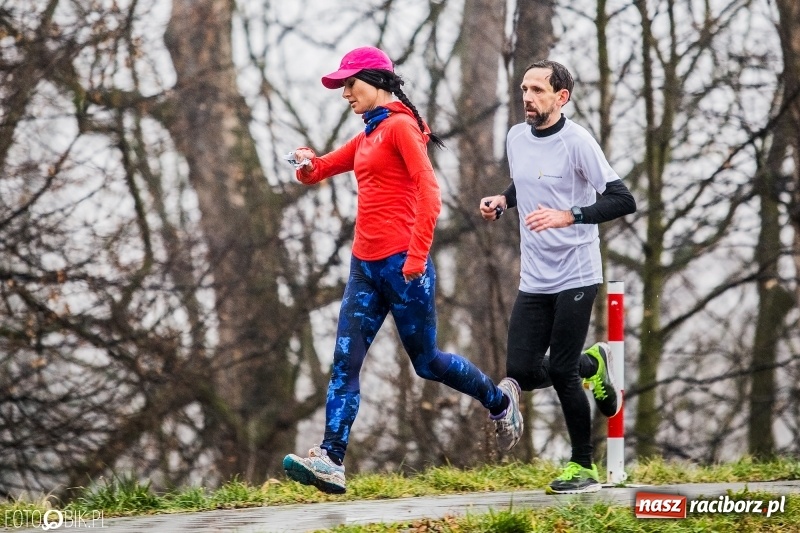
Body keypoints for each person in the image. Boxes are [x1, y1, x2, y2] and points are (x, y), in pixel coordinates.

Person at [282, 46, 523, 494]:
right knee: (344, 363)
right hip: (365, 269)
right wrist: (306, 162)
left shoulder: (399, 129)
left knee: (427, 363)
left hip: (405, 267)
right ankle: (332, 458)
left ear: (375, 81)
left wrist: (416, 257)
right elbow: (319, 171)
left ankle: (499, 401)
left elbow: (430, 196)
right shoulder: (369, 135)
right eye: (342, 87)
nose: (345, 94)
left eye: (349, 85)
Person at [480, 59, 636, 494]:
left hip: (577, 271)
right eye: (524, 89)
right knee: (523, 371)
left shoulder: (577, 142)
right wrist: (503, 201)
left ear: (561, 97)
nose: (527, 97)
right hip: (535, 275)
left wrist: (571, 215)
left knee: (562, 368)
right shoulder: (515, 137)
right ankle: (596, 363)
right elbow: (528, 184)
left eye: (537, 90)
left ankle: (582, 467)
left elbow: (624, 200)